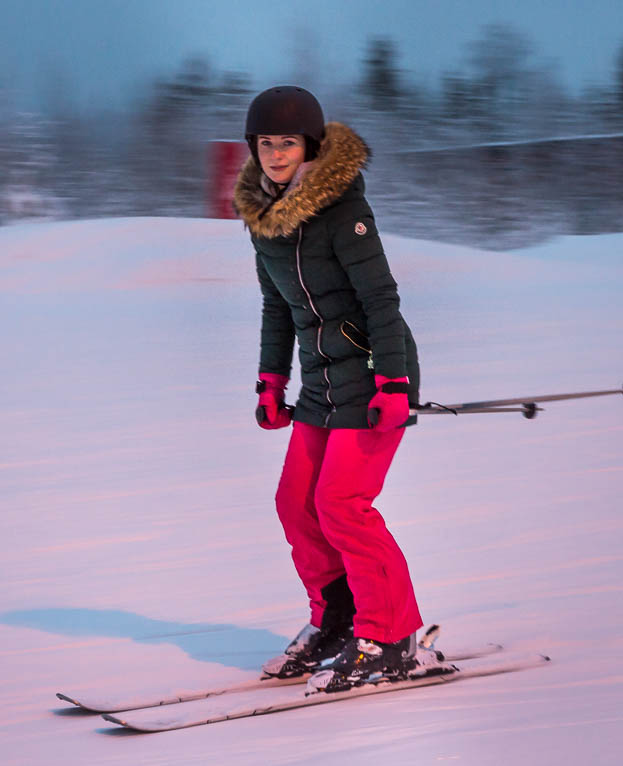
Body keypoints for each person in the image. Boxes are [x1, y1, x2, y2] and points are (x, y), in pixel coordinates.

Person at [232, 86, 445, 694]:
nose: (276, 154)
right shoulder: (263, 221)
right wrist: (270, 379)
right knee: (295, 503)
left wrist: (396, 383)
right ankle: (338, 621)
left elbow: (381, 299)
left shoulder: (344, 209)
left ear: (311, 146)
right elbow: (277, 305)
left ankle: (394, 637)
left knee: (343, 505)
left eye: (288, 143)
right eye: (266, 143)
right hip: (320, 378)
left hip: (377, 369)